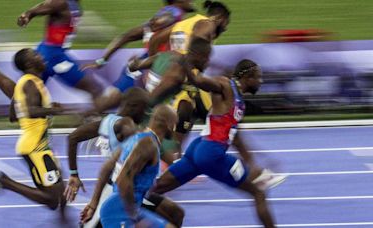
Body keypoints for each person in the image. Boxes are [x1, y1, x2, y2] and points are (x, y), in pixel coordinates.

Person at [150, 40, 286, 227]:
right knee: (258, 193)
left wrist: (252, 163)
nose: (261, 82)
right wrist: (186, 63)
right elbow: (199, 81)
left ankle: (133, 212)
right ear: (247, 77)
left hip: (198, 150)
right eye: (258, 78)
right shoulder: (225, 84)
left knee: (155, 189)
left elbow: (237, 139)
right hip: (211, 154)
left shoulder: (239, 102)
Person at [64, 88, 184, 227]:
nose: (146, 114)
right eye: (145, 109)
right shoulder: (128, 126)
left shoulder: (107, 121)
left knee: (175, 213)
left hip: (114, 185)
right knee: (172, 214)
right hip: (124, 190)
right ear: (135, 107)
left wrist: (74, 174)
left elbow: (73, 138)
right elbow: (146, 146)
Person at [0, 48, 71, 218]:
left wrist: (36, 113)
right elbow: (29, 111)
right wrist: (51, 110)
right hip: (36, 148)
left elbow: (13, 115)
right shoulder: (29, 83)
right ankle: (6, 182)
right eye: (36, 55)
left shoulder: (29, 83)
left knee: (57, 190)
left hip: (38, 145)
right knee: (52, 199)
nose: (41, 57)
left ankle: (64, 218)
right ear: (29, 64)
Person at [146, 0, 232, 156]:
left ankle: (174, 154)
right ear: (221, 18)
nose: (225, 29)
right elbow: (195, 46)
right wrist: (190, 67)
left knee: (186, 115)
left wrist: (155, 63)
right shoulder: (208, 24)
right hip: (184, 74)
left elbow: (154, 40)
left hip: (169, 72)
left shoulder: (184, 23)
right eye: (226, 24)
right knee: (216, 112)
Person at [82, 0, 196, 113]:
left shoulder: (169, 16)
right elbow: (156, 24)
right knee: (115, 103)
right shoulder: (175, 13)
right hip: (146, 68)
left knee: (117, 105)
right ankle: (89, 117)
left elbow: (128, 36)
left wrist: (102, 60)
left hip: (144, 66)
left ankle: (90, 117)